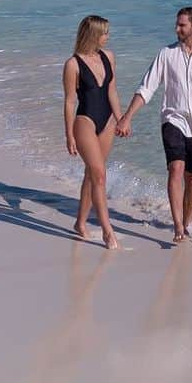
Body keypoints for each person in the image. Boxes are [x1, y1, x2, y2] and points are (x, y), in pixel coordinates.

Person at [116, 7, 192, 244]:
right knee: (176, 169)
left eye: (182, 25)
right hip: (172, 120)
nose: (177, 29)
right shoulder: (167, 54)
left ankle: (187, 222)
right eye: (177, 25)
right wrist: (127, 116)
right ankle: (178, 226)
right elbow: (147, 87)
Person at [63, 14, 123, 249]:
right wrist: (69, 134)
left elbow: (112, 91)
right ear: (94, 35)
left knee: (92, 174)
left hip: (107, 121)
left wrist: (121, 119)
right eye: (105, 33)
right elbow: (69, 101)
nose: (108, 37)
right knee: (99, 174)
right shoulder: (73, 64)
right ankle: (108, 231)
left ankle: (80, 222)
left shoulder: (109, 57)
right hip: (85, 121)